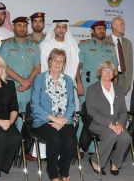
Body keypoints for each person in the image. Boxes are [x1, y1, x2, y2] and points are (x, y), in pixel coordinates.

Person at [30, 48, 77, 181]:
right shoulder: (39, 79)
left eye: (61, 61)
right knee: (55, 139)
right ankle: (52, 173)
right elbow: (34, 105)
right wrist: (53, 119)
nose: (57, 64)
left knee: (70, 140)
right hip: (43, 120)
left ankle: (63, 170)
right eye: (55, 60)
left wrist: (63, 120)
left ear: (64, 64)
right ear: (49, 62)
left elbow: (72, 105)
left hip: (63, 120)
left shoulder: (68, 80)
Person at [86, 60, 131, 176]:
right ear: (100, 72)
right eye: (105, 70)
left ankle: (115, 162)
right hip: (97, 122)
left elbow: (123, 111)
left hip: (116, 122)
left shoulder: (118, 89)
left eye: (110, 70)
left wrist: (120, 123)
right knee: (111, 134)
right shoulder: (92, 89)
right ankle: (95, 160)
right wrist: (109, 124)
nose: (107, 73)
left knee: (126, 137)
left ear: (114, 73)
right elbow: (91, 112)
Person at [0, 16, 41, 115]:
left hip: (30, 89)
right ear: (13, 27)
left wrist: (28, 82)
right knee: (12, 119)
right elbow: (4, 66)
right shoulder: (6, 45)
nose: (22, 28)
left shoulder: (34, 45)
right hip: (12, 88)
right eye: (19, 25)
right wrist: (22, 81)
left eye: (25, 26)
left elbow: (38, 66)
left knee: (29, 121)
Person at [77, 20, 118, 105]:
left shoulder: (111, 47)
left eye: (104, 29)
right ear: (92, 31)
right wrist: (79, 84)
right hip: (88, 84)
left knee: (104, 113)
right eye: (99, 28)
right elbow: (77, 67)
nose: (102, 31)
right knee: (86, 113)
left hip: (107, 86)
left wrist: (116, 87)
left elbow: (115, 69)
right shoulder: (84, 45)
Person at [106, 17, 133, 94]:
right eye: (121, 24)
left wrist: (129, 82)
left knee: (119, 104)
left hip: (123, 78)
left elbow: (130, 65)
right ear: (114, 26)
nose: (124, 26)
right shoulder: (105, 41)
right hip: (109, 77)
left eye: (124, 24)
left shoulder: (128, 43)